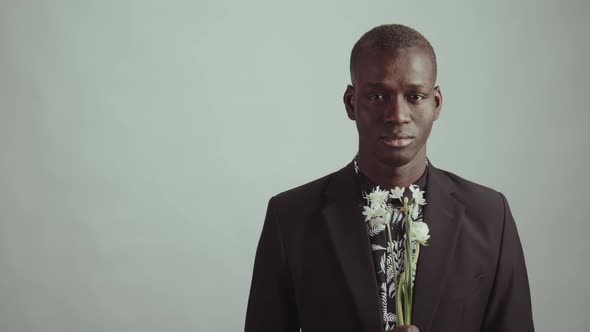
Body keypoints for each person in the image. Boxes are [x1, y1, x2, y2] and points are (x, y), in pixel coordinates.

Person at [244, 24, 534, 332]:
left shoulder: (490, 215)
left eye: (415, 96)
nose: (397, 114)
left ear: (435, 103)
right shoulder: (290, 218)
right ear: (351, 103)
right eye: (378, 96)